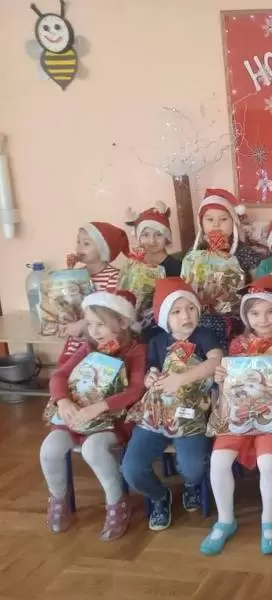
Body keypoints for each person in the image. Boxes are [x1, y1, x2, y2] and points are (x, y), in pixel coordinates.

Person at [201, 276, 272, 556]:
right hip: (240, 410)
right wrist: (221, 378)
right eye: (255, 313)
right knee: (219, 460)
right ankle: (225, 520)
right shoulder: (238, 344)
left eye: (270, 311)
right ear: (246, 316)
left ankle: (269, 521)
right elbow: (231, 384)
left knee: (267, 461)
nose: (263, 319)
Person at [41, 290, 146, 541]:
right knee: (49, 449)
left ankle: (117, 503)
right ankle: (58, 500)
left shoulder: (137, 351)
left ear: (122, 322)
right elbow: (59, 375)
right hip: (76, 418)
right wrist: (63, 400)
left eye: (101, 325)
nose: (95, 331)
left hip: (113, 421)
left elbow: (135, 391)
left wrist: (99, 407)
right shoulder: (89, 347)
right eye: (90, 324)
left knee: (93, 450)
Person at [121, 278, 223, 531]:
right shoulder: (157, 342)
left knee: (194, 467)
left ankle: (191, 485)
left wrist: (182, 379)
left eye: (190, 308)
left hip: (191, 415)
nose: (185, 316)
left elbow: (216, 362)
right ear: (165, 317)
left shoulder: (204, 336)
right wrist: (151, 377)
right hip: (156, 414)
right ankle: (159, 496)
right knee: (131, 468)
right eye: (176, 312)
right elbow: (151, 371)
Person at [183, 188, 263, 347]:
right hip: (200, 319)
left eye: (223, 219)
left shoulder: (244, 252)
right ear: (201, 223)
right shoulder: (194, 253)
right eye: (209, 219)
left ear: (233, 222)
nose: (216, 225)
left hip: (236, 319)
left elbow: (258, 285)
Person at [59, 221, 130, 362]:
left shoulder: (114, 276)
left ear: (103, 249)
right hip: (75, 342)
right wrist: (68, 275)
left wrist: (82, 325)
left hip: (101, 343)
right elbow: (69, 305)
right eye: (78, 242)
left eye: (86, 244)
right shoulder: (77, 275)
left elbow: (109, 313)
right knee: (66, 369)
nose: (80, 247)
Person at [126, 202, 182, 276]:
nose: (152, 241)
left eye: (158, 235)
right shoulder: (134, 265)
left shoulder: (177, 268)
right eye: (146, 235)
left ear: (167, 238)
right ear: (139, 238)